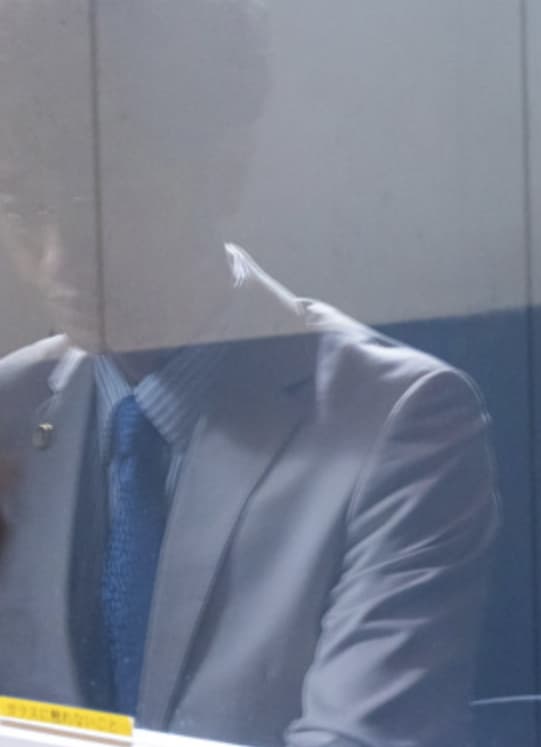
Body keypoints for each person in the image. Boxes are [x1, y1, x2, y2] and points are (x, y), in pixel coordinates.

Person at [0, 2, 498, 745]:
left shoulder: (400, 423)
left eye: (103, 205)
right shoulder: (10, 412)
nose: (59, 259)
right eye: (22, 209)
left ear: (221, 173)